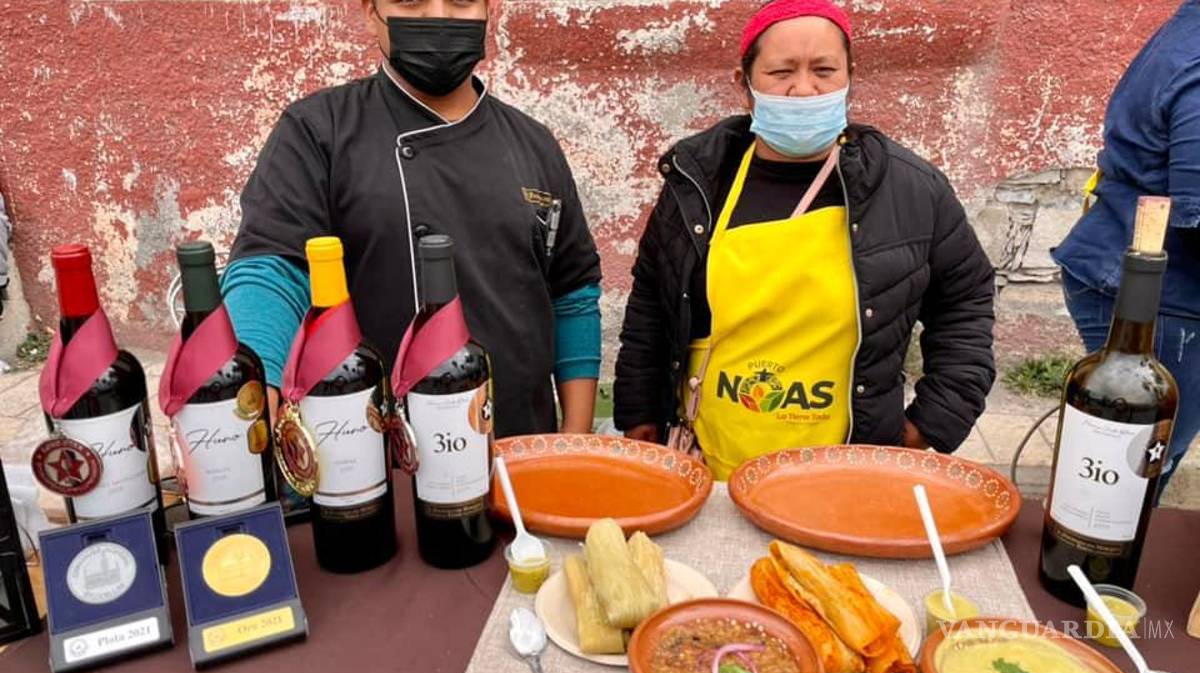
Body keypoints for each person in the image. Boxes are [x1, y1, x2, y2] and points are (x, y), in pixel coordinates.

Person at [614, 0, 996, 480]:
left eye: (824, 71)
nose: (803, 89)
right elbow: (652, 301)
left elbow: (965, 301)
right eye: (781, 72)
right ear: (744, 85)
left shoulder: (911, 190)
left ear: (850, 78)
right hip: (709, 464)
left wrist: (930, 424)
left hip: (846, 476)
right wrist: (639, 413)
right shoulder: (697, 185)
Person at [223, 0, 602, 438]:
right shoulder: (318, 130)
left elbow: (573, 292)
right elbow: (272, 269)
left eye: (461, 1)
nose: (438, 16)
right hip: (372, 451)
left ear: (487, 9)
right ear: (371, 13)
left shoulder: (534, 144)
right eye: (410, 0)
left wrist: (575, 437)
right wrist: (250, 383)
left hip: (520, 447)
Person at [1052, 0, 1200, 494]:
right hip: (1162, 296)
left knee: (1136, 457)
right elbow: (1197, 212)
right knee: (1136, 463)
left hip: (1140, 273)